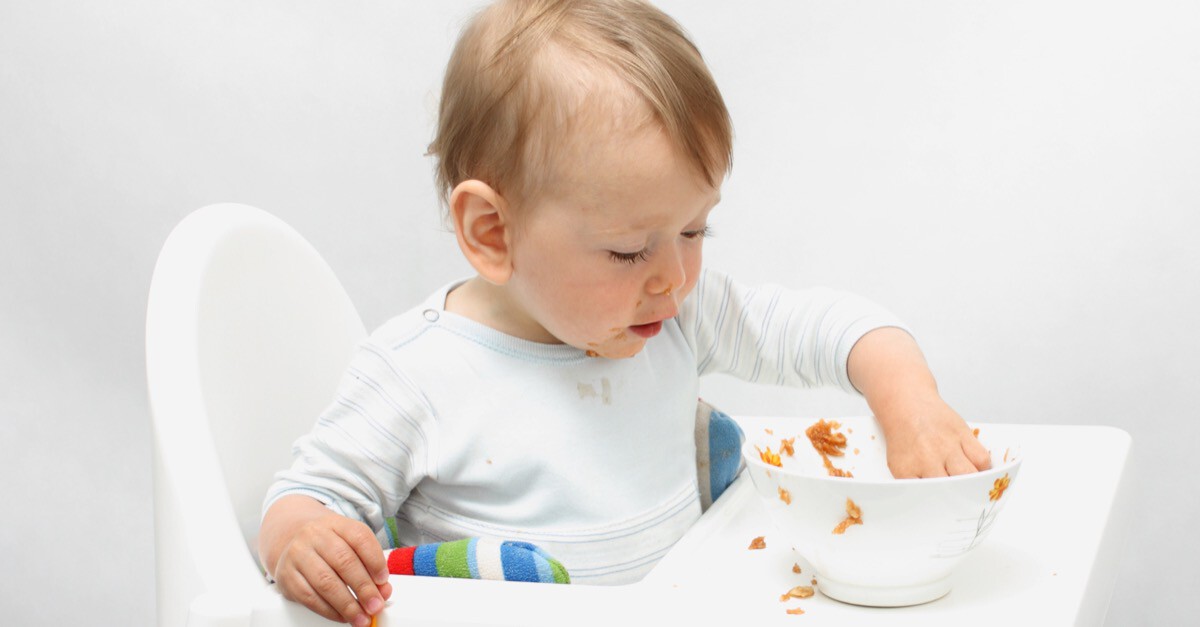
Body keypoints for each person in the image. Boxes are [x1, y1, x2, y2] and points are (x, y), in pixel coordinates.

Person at [257, 1, 992, 624]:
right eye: (629, 251)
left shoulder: (677, 314)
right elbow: (306, 499)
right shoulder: (417, 375)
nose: (673, 277)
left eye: (696, 231)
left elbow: (830, 330)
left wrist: (910, 402)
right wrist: (308, 538)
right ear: (493, 232)